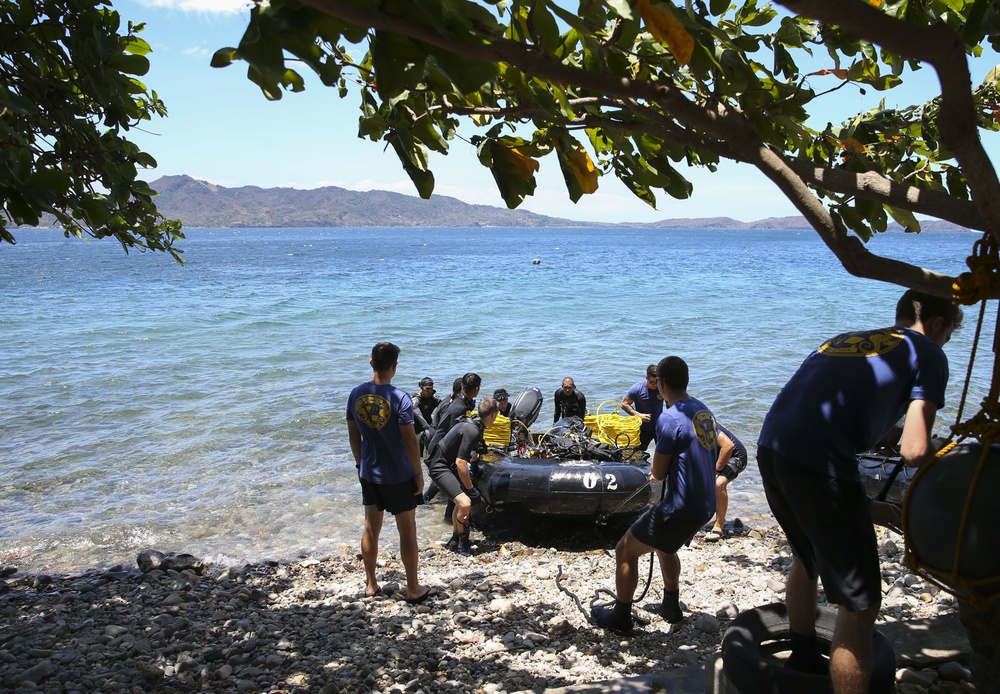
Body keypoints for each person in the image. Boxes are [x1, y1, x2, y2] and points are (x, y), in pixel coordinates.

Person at [756, 289, 961, 693]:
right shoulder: (929, 353)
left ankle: (801, 654)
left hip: (772, 447)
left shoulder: (846, 340)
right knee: (860, 604)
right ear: (937, 323)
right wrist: (950, 448)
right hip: (818, 463)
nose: (946, 341)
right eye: (949, 332)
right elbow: (914, 451)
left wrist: (866, 504)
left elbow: (856, 418)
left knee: (806, 554)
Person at [592, 356, 718, 634]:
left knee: (625, 549)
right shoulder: (703, 410)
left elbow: (658, 473)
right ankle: (670, 606)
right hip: (706, 505)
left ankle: (621, 617)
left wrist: (656, 472)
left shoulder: (669, 418)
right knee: (665, 545)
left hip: (680, 506)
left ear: (660, 383)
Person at [345, 342, 436, 603]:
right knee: (407, 530)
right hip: (398, 475)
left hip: (369, 472)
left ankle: (371, 584)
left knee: (370, 527)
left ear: (371, 362)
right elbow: (410, 442)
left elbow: (354, 436)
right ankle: (413, 588)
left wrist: (360, 464)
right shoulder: (400, 398)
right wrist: (419, 474)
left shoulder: (355, 394)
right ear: (394, 367)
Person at [426, 398, 501, 556]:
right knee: (465, 503)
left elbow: (471, 454)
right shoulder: (472, 429)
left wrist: (475, 467)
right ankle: (463, 542)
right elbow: (461, 463)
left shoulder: (476, 424)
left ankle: (455, 537)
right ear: (494, 414)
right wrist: (471, 489)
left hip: (448, 464)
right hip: (440, 466)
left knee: (461, 503)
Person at [705, 421, 747, 542]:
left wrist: (716, 471)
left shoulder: (701, 421)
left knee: (719, 484)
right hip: (716, 457)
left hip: (735, 456)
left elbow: (728, 446)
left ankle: (719, 525)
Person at [621, 364, 665, 449]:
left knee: (664, 452)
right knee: (639, 452)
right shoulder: (637, 389)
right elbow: (624, 403)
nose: (655, 385)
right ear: (646, 378)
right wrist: (638, 415)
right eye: (652, 382)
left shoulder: (662, 388)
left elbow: (670, 403)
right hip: (643, 428)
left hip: (659, 427)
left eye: (657, 382)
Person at [412, 377, 441, 456]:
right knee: (418, 453)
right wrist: (427, 427)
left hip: (428, 424)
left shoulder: (434, 398)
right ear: (421, 387)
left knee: (430, 451)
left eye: (431, 389)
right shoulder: (415, 400)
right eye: (427, 389)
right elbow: (417, 414)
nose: (429, 391)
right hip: (416, 428)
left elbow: (443, 408)